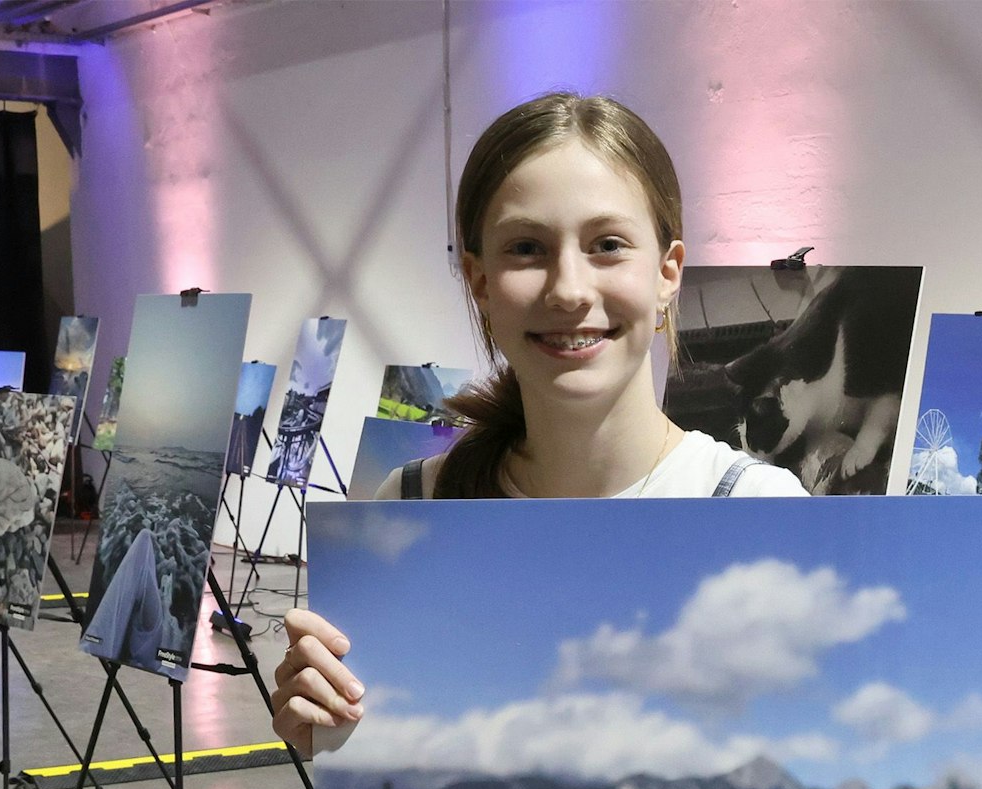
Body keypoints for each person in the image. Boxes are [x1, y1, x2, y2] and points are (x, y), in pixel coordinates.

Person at [272, 92, 806, 754]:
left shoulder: (760, 511)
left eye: (608, 244)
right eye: (527, 248)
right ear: (480, 281)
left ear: (668, 272)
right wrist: (328, 729)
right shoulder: (415, 505)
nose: (568, 289)